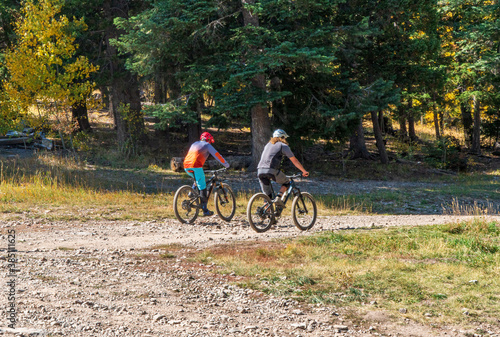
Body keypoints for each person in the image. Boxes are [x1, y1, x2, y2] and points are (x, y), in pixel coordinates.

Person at [257, 129, 309, 208]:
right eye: (285, 138)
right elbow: (294, 161)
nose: (285, 140)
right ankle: (278, 197)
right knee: (287, 183)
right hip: (271, 170)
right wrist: (304, 171)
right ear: (282, 137)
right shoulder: (283, 146)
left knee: (268, 196)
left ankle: (266, 215)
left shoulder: (267, 145)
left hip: (260, 171)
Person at [183, 132, 230, 216]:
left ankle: (192, 192)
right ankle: (205, 210)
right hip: (196, 166)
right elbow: (217, 155)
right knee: (203, 186)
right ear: (208, 139)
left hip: (186, 165)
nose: (210, 142)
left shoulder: (194, 143)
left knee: (198, 180)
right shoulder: (207, 145)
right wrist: (226, 165)